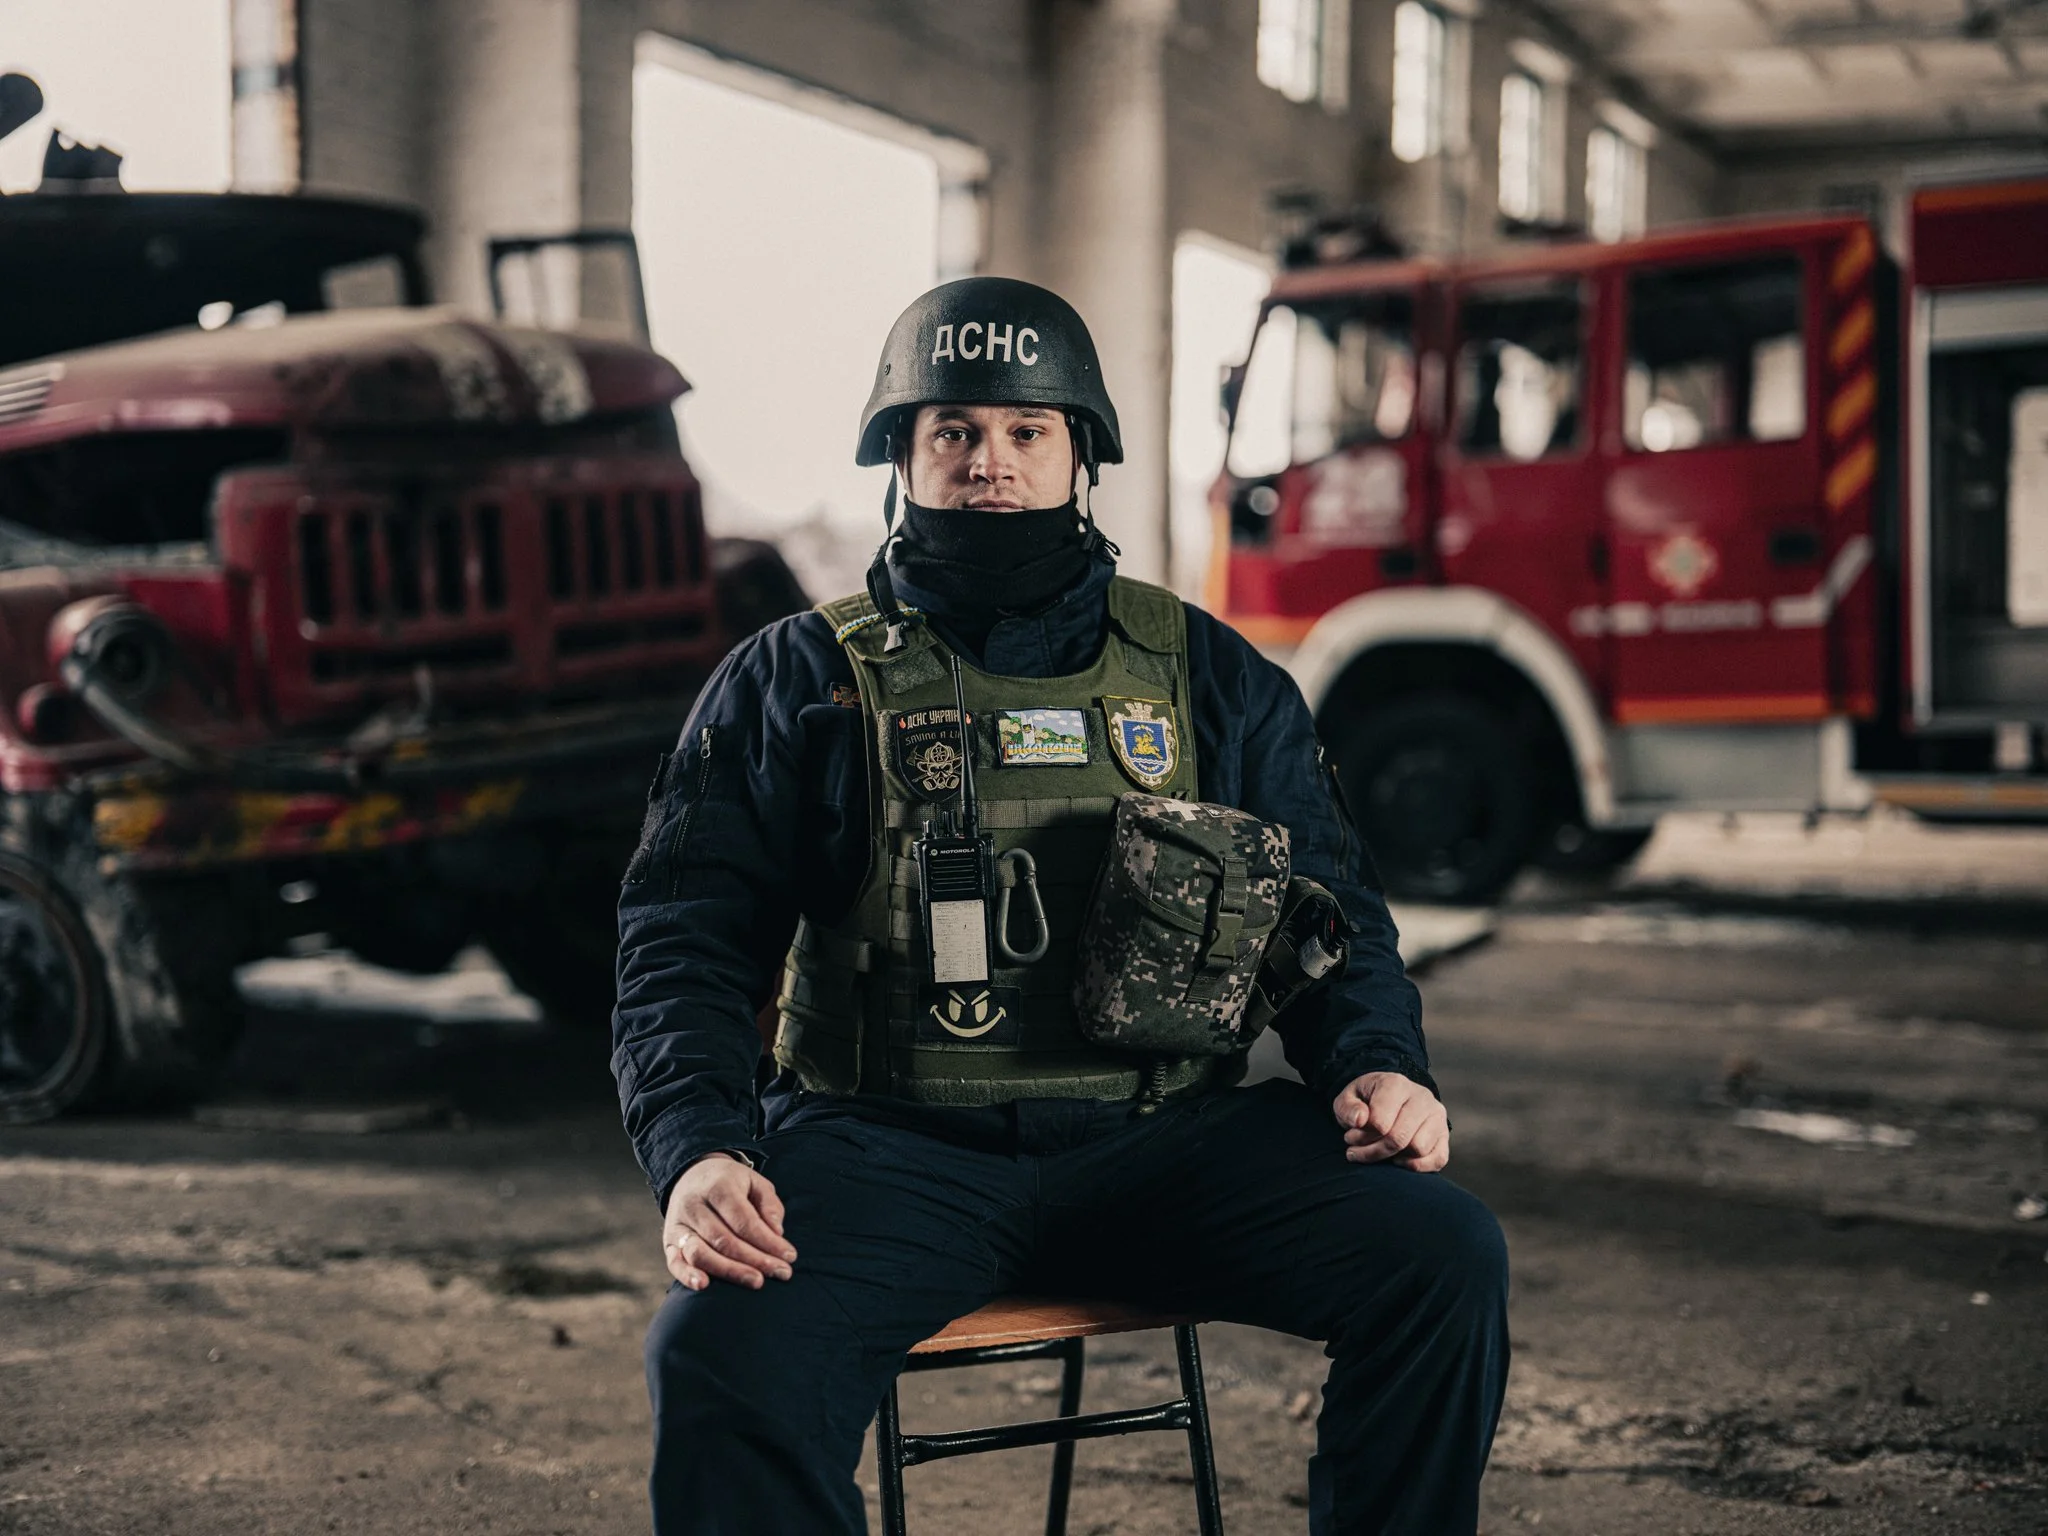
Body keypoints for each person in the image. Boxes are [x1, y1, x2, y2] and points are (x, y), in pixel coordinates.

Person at [615, 276, 1509, 1535]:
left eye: (1027, 432)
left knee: (1444, 1258)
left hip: (1163, 1144)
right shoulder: (797, 678)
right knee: (715, 1354)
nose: (991, 463)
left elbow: (1330, 910)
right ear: (904, 458)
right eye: (955, 432)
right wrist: (697, 1148)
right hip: (888, 1151)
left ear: (1079, 452)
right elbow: (683, 938)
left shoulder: (1208, 673)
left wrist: (1373, 1064)